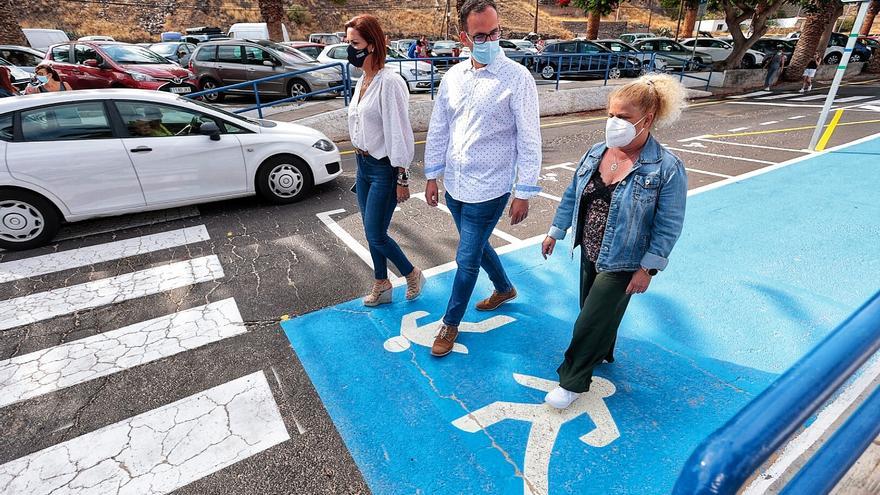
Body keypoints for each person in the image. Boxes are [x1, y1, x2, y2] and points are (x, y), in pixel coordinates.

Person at [540, 74, 688, 410]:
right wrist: (555, 231)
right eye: (610, 115)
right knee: (594, 313)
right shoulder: (597, 152)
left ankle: (572, 380)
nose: (613, 123)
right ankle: (603, 351)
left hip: (625, 260)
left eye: (622, 117)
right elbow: (572, 195)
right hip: (590, 250)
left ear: (646, 120)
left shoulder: (665, 168)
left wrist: (648, 269)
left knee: (589, 321)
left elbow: (669, 225)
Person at [424, 0, 541, 357]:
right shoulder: (453, 77)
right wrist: (432, 175)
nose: (490, 40)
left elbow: (529, 137)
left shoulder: (517, 78)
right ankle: (504, 288)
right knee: (476, 245)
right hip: (455, 186)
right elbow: (440, 128)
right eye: (481, 35)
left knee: (467, 257)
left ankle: (450, 323)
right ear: (464, 37)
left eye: (495, 32)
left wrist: (523, 190)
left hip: (491, 187)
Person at [345, 14, 425, 307]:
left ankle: (412, 273)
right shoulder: (362, 80)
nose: (349, 48)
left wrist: (402, 178)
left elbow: (399, 132)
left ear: (372, 45)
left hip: (383, 169)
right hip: (362, 166)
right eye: (348, 42)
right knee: (370, 232)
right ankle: (381, 283)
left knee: (376, 235)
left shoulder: (389, 82)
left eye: (354, 43)